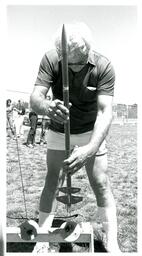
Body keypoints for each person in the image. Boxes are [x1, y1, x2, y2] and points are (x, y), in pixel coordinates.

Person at [30, 22, 120, 253]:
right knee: (52, 181)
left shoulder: (103, 65)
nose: (73, 67)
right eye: (67, 61)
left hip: (92, 130)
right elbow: (35, 98)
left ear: (87, 51)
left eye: (78, 62)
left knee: (100, 182)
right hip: (60, 131)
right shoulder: (51, 58)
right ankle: (41, 239)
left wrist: (91, 148)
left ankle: (111, 241)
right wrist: (48, 107)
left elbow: (104, 111)